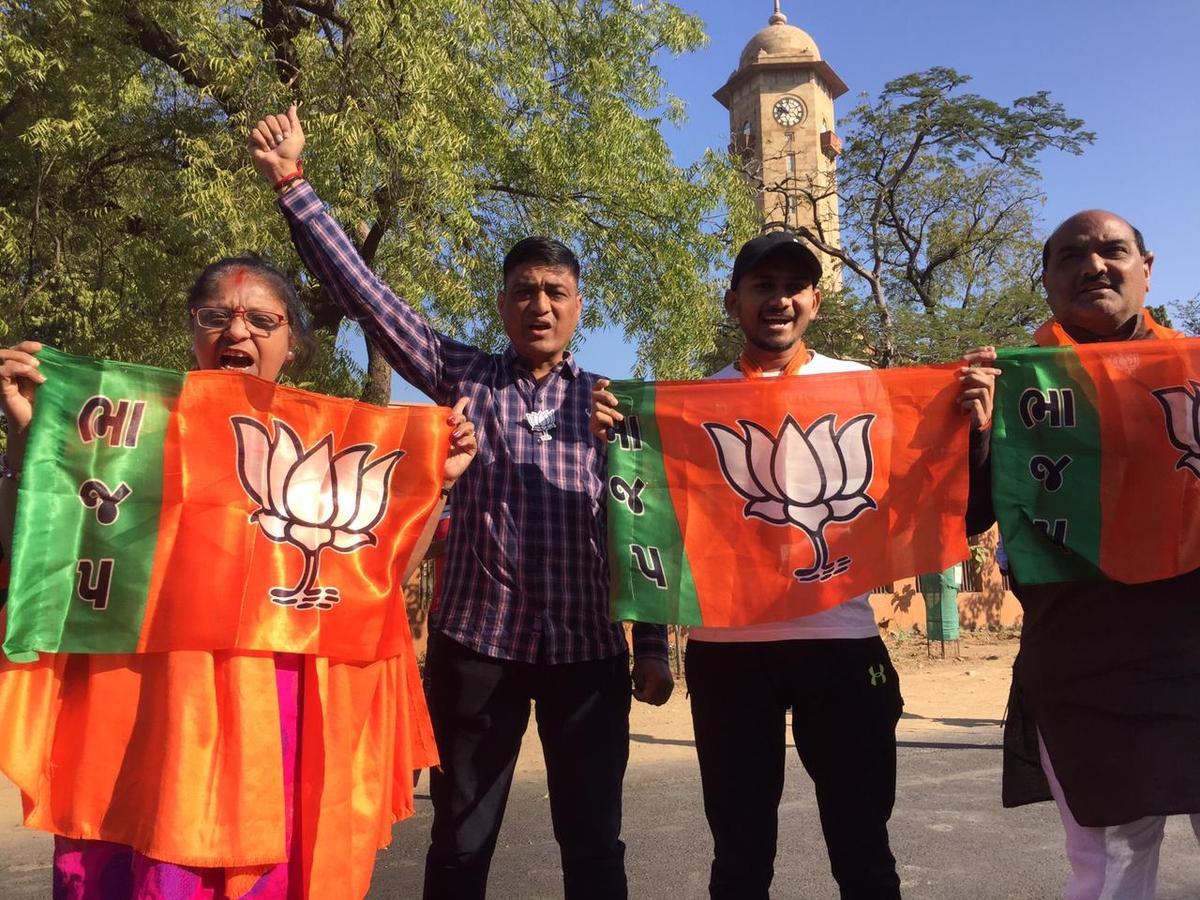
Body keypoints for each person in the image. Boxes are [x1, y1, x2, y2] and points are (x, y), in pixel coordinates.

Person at [248, 106, 673, 900]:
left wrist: (653, 646)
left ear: (580, 307)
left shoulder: (618, 409)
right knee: (461, 842)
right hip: (476, 650)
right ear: (503, 304)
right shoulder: (463, 379)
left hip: (588, 656)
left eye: (556, 291)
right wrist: (294, 184)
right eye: (524, 291)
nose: (539, 305)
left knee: (593, 845)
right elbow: (371, 299)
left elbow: (643, 528)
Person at [0, 254, 478, 899]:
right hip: (163, 699)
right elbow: (48, 556)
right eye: (217, 316)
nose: (238, 332)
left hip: (287, 697)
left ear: (291, 340)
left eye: (261, 318)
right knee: (157, 857)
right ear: (193, 331)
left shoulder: (330, 442)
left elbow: (381, 575)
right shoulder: (133, 432)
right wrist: (32, 440)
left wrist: (438, 486)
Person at [591, 231, 997, 900]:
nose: (777, 299)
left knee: (864, 851)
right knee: (741, 858)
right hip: (728, 657)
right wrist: (652, 642)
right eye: (761, 286)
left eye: (792, 287)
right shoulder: (686, 407)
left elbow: (965, 517)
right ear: (733, 302)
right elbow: (653, 533)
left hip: (842, 649)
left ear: (813, 300)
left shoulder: (863, 387)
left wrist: (976, 433)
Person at [965, 210, 1200, 900]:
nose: (1093, 265)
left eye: (1112, 251)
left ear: (1147, 268)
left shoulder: (1192, 370)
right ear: (1046, 282)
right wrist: (975, 434)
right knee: (1112, 867)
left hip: (1195, 650)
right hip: (1085, 664)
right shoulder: (1009, 386)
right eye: (1071, 255)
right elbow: (968, 517)